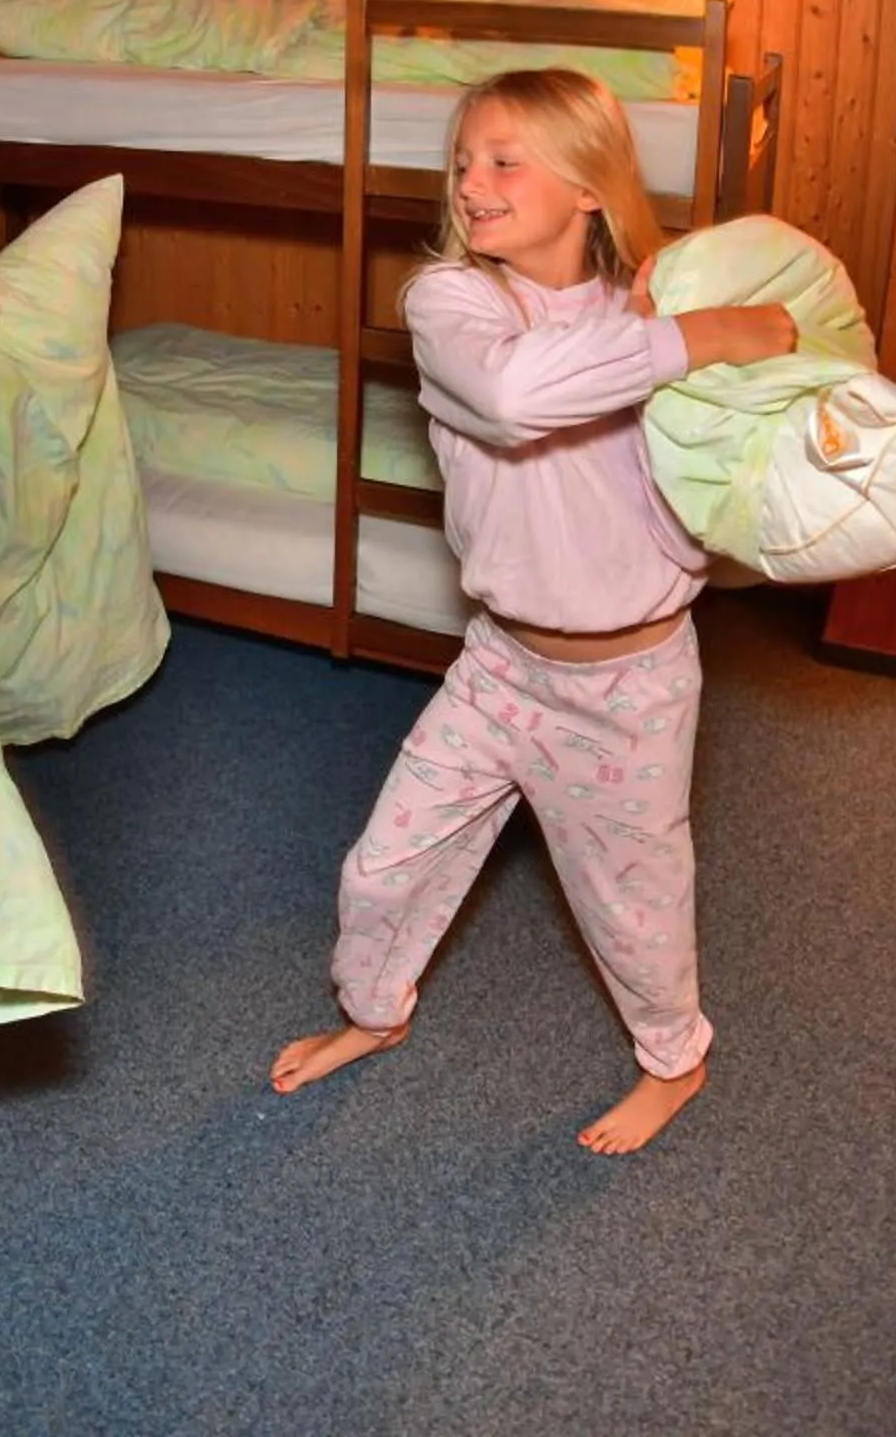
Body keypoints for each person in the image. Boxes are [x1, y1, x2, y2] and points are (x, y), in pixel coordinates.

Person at [267, 67, 797, 1155]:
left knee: (634, 900)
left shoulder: (644, 309)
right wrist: (701, 335)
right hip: (503, 665)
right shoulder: (451, 302)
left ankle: (676, 1057)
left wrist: (714, 334)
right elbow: (515, 398)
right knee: (383, 863)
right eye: (463, 162)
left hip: (634, 681)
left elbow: (742, 451)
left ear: (591, 184)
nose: (473, 182)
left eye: (506, 159)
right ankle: (374, 1011)